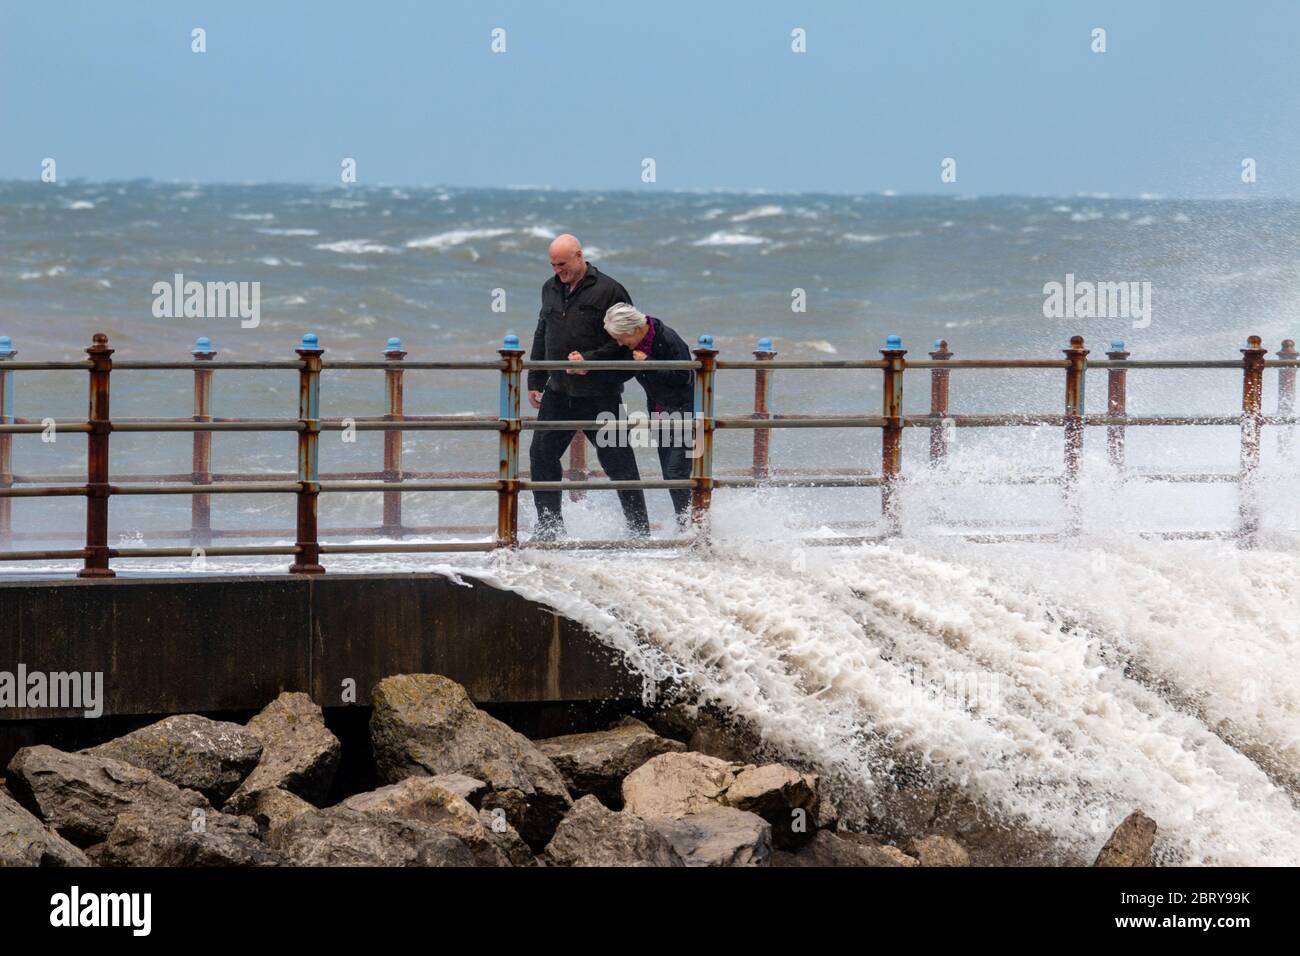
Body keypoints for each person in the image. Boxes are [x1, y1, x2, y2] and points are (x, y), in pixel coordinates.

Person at [526, 234, 649, 540]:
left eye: (563, 264)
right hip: (559, 391)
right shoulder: (549, 288)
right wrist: (535, 379)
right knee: (541, 455)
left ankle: (639, 531)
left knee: (619, 464)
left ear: (580, 256)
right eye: (554, 265)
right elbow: (542, 333)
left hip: (600, 394)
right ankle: (549, 529)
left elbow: (627, 342)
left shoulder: (610, 290)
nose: (559, 271)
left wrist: (589, 361)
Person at [572, 303, 695, 526]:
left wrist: (647, 363)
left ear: (634, 329)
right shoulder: (638, 345)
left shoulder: (667, 338)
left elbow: (683, 376)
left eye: (621, 338)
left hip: (685, 413)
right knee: (670, 475)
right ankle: (688, 526)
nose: (620, 343)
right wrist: (587, 368)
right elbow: (622, 372)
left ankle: (695, 527)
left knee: (677, 474)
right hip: (660, 412)